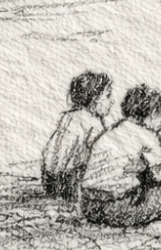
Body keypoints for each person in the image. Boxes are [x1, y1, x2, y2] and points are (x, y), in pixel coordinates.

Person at [79, 85, 161, 227]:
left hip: (89, 206)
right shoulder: (147, 136)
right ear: (153, 113)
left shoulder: (113, 131)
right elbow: (159, 174)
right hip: (119, 208)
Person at [42, 71, 113, 202]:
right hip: (70, 180)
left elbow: (51, 152)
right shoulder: (93, 121)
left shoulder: (68, 116)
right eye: (108, 96)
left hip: (49, 178)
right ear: (94, 100)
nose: (112, 101)